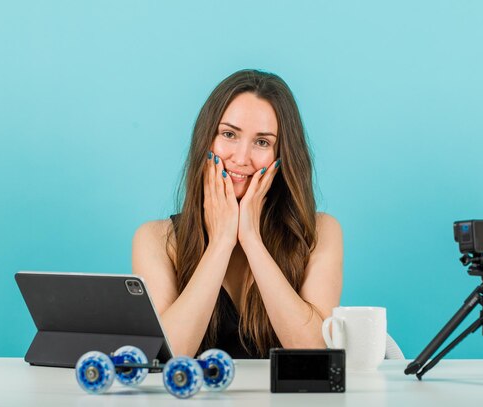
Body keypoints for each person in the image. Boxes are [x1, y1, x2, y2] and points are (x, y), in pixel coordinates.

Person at [132, 69, 343, 358]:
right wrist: (221, 242)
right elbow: (168, 355)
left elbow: (314, 352)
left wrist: (252, 239)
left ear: (282, 156)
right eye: (229, 134)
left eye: (262, 142)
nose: (241, 159)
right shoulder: (156, 239)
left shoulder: (320, 231)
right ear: (206, 140)